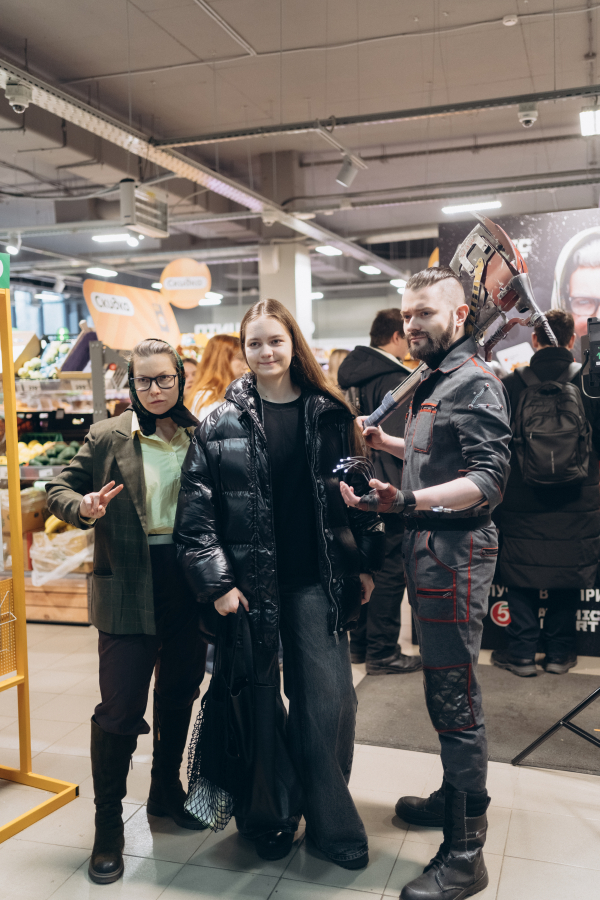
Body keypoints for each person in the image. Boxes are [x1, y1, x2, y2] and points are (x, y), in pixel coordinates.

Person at [175, 298, 384, 868]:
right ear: (242, 350)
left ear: (294, 344)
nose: (265, 352)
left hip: (318, 581)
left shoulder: (332, 414)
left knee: (330, 705)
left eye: (275, 341)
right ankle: (271, 814)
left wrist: (365, 563)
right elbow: (195, 520)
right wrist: (218, 584)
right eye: (255, 343)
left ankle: (331, 824)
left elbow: (361, 497)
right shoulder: (219, 424)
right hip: (249, 591)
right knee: (261, 707)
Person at [341, 267, 511, 900]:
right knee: (444, 689)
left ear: (460, 316)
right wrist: (386, 441)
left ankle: (466, 852)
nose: (412, 324)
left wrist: (407, 501)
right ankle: (452, 796)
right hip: (429, 550)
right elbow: (438, 456)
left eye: (426, 314)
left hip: (455, 554)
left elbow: (489, 480)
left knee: (455, 696)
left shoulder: (476, 382)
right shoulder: (433, 379)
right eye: (407, 314)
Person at [45, 339, 208, 885]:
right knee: (119, 707)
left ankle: (166, 791)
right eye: (144, 381)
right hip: (127, 585)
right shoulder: (107, 436)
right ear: (131, 384)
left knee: (180, 690)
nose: (155, 389)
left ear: (180, 378)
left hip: (187, 582)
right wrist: (83, 506)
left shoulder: (198, 434)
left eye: (165, 379)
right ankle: (108, 825)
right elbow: (57, 487)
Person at [492, 309, 600, 676]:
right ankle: (559, 654)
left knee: (520, 572)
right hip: (578, 497)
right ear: (571, 340)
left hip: (522, 497)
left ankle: (521, 653)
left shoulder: (510, 384)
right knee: (568, 571)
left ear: (534, 340)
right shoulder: (589, 383)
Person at [338, 309, 420, 675]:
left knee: (366, 563)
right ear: (396, 336)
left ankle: (360, 645)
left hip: (354, 483)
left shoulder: (350, 375)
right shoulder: (397, 381)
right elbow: (407, 443)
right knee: (389, 571)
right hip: (388, 487)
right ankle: (383, 652)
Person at [187, 333, 247, 420]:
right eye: (241, 358)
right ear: (223, 361)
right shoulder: (209, 399)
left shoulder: (219, 395)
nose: (246, 365)